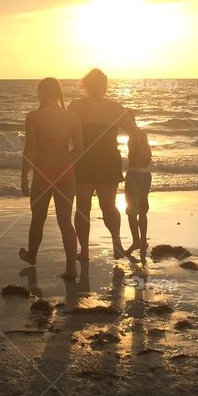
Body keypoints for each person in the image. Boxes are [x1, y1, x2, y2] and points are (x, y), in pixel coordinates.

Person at [68, 68, 141, 262]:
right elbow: (134, 132)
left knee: (83, 206)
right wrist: (137, 158)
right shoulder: (115, 107)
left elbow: (67, 133)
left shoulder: (76, 106)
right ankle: (116, 244)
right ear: (104, 85)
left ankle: (84, 251)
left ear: (85, 85)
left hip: (84, 160)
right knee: (108, 205)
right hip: (109, 160)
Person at [19, 78, 84, 279]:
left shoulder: (34, 117)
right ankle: (72, 268)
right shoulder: (72, 118)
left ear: (41, 93)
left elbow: (30, 148)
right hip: (65, 171)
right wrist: (66, 161)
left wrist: (24, 175)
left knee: (38, 219)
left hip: (43, 174)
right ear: (58, 94)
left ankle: (32, 256)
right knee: (65, 222)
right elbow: (80, 150)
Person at [124, 129, 153, 265]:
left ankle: (136, 241)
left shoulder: (133, 137)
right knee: (142, 209)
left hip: (134, 174)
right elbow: (148, 157)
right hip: (146, 175)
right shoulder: (143, 135)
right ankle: (142, 240)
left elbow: (137, 158)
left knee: (131, 211)